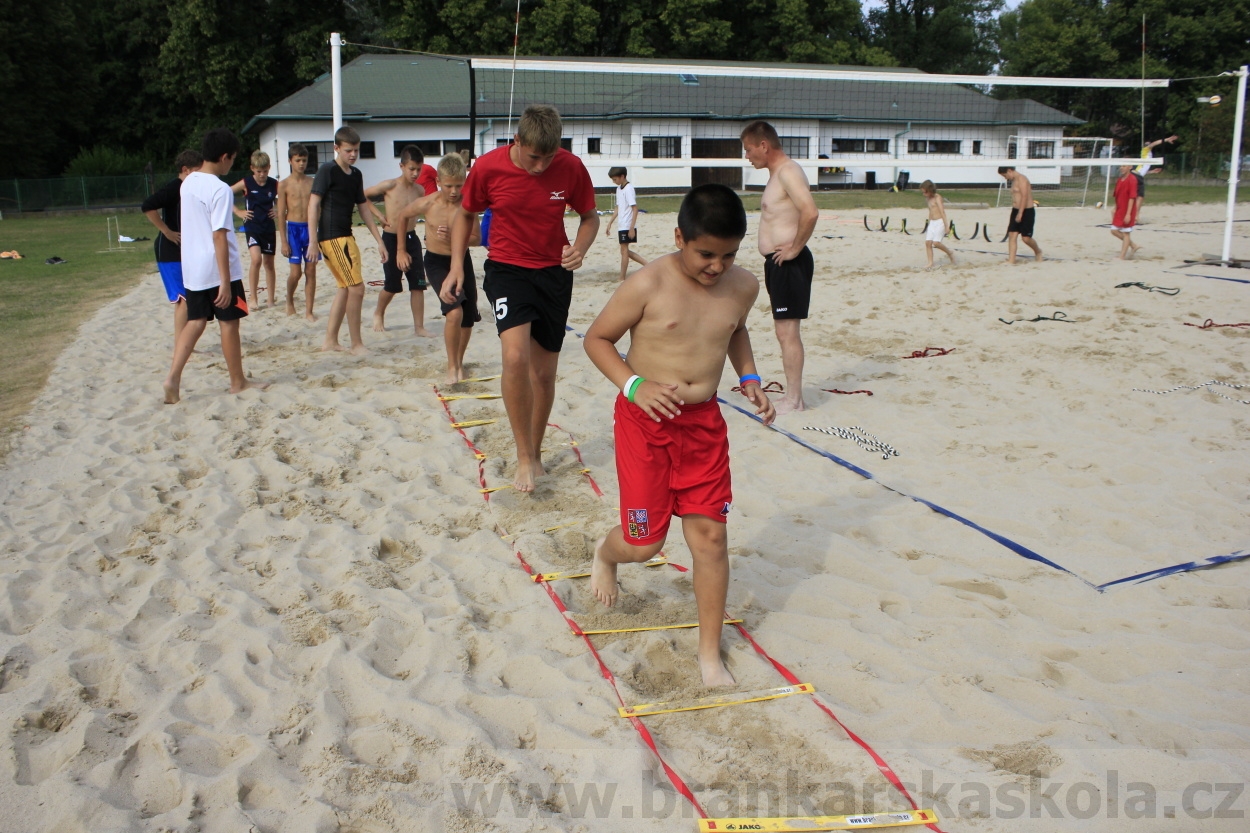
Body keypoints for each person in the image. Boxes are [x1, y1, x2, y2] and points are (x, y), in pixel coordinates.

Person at [583, 183, 775, 688]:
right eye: (705, 254)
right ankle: (606, 555)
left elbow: (733, 329)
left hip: (703, 426)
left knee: (709, 538)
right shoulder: (647, 284)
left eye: (728, 255)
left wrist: (749, 378)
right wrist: (634, 384)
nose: (716, 266)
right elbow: (596, 339)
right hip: (645, 426)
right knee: (644, 544)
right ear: (678, 237)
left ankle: (709, 655)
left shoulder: (744, 286)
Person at [444, 104, 599, 492]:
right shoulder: (489, 168)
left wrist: (579, 248)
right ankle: (524, 457)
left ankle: (537, 450)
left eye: (549, 157)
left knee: (543, 373)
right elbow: (465, 215)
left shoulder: (571, 167)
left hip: (554, 274)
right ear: (517, 141)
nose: (542, 166)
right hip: (508, 270)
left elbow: (590, 217)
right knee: (515, 356)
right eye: (534, 157)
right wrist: (457, 266)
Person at [163, 128, 267, 404]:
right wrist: (224, 280)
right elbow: (219, 235)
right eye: (232, 159)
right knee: (229, 323)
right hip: (219, 269)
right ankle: (238, 382)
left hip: (193, 267)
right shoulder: (220, 189)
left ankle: (172, 377)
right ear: (224, 157)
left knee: (195, 321)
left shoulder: (189, 182)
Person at [741, 120, 818, 415]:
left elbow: (810, 212)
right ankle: (793, 395)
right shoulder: (777, 174)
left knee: (788, 333)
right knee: (783, 332)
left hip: (789, 262)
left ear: (764, 145)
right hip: (778, 263)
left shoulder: (788, 171)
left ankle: (795, 400)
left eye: (749, 149)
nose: (747, 156)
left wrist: (795, 248)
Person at [394, 153, 482, 383]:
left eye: (459, 185)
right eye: (449, 186)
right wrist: (401, 250)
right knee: (454, 312)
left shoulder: (467, 205)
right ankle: (451, 367)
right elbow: (402, 216)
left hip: (462, 261)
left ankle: (459, 361)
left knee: (468, 318)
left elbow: (477, 239)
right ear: (439, 182)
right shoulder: (429, 202)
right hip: (435, 261)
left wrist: (456, 235)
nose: (454, 191)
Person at [307, 125, 388, 355]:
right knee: (357, 288)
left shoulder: (356, 175)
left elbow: (363, 209)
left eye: (356, 150)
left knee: (345, 288)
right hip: (332, 238)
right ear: (337, 148)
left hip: (346, 236)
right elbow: (313, 204)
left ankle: (331, 341)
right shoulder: (328, 171)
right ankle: (356, 344)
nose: (353, 154)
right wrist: (312, 240)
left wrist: (379, 241)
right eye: (348, 150)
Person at [366, 145, 433, 337]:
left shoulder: (419, 190)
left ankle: (419, 327)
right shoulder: (390, 186)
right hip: (391, 238)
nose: (415, 173)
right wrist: (379, 215)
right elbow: (362, 196)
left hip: (411, 238)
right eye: (411, 169)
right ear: (402, 166)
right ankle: (379, 312)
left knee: (418, 284)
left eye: (418, 169)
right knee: (392, 285)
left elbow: (428, 212)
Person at [141, 149, 203, 344]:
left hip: (184, 252)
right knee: (184, 299)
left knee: (186, 300)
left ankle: (184, 345)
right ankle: (182, 345)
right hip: (168, 251)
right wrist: (166, 231)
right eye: (196, 172)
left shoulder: (191, 191)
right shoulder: (174, 188)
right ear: (185, 170)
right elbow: (147, 206)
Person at [231, 150, 279, 309]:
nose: (262, 174)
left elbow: (287, 197)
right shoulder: (246, 182)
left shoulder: (274, 183)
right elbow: (225, 193)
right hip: (252, 226)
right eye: (259, 171)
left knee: (269, 264)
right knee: (256, 259)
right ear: (252, 168)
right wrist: (238, 211)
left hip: (268, 227)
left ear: (269, 168)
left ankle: (271, 299)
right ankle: (253, 298)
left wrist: (279, 210)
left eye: (265, 171)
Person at [277, 143, 318, 321]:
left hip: (309, 229)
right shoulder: (284, 184)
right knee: (296, 273)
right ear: (290, 161)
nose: (301, 163)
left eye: (304, 160)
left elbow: (318, 209)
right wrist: (283, 241)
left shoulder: (312, 182)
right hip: (293, 229)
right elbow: (280, 213)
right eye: (298, 160)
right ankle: (290, 300)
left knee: (311, 271)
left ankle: (309, 311)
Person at [606, 166, 647, 281]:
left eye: (615, 179)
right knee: (624, 251)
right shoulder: (619, 189)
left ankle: (622, 278)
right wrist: (610, 222)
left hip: (628, 224)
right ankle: (648, 265)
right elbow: (617, 208)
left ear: (622, 176)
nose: (614, 182)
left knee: (624, 251)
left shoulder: (629, 189)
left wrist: (631, 228)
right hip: (621, 224)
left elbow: (635, 209)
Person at [998, 167, 1042, 264]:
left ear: (1009, 171)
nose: (1006, 178)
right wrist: (1017, 212)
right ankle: (1011, 260)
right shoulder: (1014, 180)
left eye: (1005, 175)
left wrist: (1020, 213)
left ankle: (1038, 251)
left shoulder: (1022, 179)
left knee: (1026, 238)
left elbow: (1024, 197)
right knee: (1012, 235)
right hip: (1016, 210)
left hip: (1026, 211)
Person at [1134, 134, 1177, 223]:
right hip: (1137, 176)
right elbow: (1154, 143)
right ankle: (1135, 217)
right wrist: (1166, 139)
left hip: (1137, 175)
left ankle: (1132, 216)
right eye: (1147, 143)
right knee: (1140, 197)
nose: (1148, 144)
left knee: (1136, 197)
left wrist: (1152, 171)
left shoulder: (1147, 154)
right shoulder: (1146, 150)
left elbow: (1143, 169)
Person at [919, 180, 956, 269]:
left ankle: (949, 252)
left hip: (940, 221)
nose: (924, 194)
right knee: (928, 243)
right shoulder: (927, 199)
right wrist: (929, 223)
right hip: (932, 222)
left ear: (930, 190)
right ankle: (930, 262)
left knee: (936, 243)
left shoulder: (937, 197)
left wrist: (946, 226)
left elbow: (942, 212)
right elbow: (930, 211)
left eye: (925, 192)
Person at [1110, 164, 1141, 260]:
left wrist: (1128, 214)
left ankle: (1122, 256)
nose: (1121, 167)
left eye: (1124, 166)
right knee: (1114, 230)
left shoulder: (1132, 179)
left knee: (1126, 233)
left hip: (1128, 210)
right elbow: (1118, 195)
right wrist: (1115, 207)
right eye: (1121, 166)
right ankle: (1133, 245)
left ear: (1130, 167)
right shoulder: (1120, 180)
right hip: (1120, 209)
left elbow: (1132, 197)